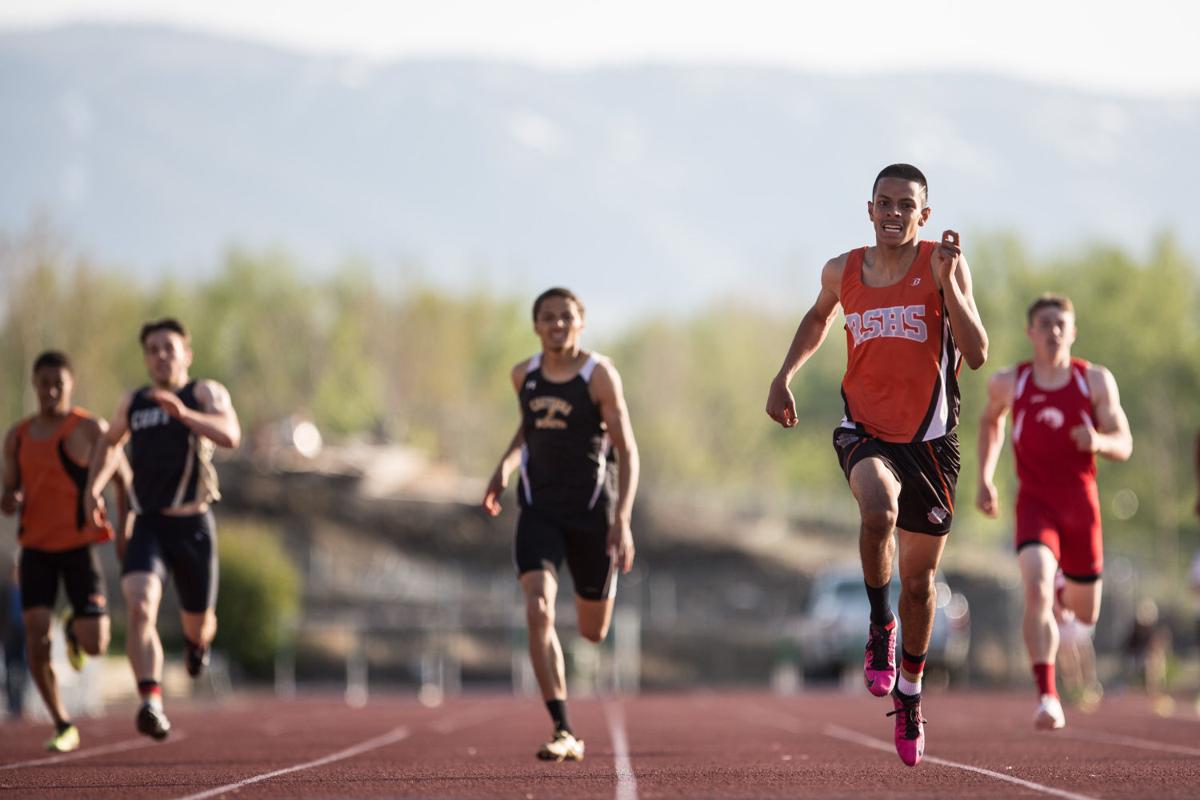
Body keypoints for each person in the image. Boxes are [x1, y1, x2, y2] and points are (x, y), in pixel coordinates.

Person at [766, 164, 988, 767]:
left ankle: (911, 697)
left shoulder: (942, 265)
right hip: (863, 430)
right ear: (869, 209)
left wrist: (953, 287)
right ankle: (878, 623)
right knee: (877, 509)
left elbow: (976, 352)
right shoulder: (843, 270)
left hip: (932, 444)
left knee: (921, 585)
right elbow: (818, 319)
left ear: (925, 214)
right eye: (883, 203)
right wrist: (784, 376)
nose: (893, 214)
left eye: (905, 205)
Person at [482, 288, 639, 762]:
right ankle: (563, 728)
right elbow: (527, 428)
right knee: (538, 608)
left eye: (565, 317)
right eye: (547, 318)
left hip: (592, 512)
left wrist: (623, 520)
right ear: (535, 326)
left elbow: (627, 450)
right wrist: (505, 466)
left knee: (593, 632)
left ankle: (590, 614)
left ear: (581, 323)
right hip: (539, 511)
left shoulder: (599, 377)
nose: (556, 325)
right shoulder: (523, 375)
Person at [977, 294, 1132, 730]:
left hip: (1081, 505)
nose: (1053, 332)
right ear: (1031, 332)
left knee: (1085, 614)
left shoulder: (1094, 381)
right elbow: (991, 421)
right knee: (1035, 590)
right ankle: (1047, 695)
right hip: (1036, 503)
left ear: (1073, 331)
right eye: (1044, 324)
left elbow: (1124, 440)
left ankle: (1066, 593)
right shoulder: (1010, 382)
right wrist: (985, 477)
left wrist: (1098, 441)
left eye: (1061, 324)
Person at [85, 319, 241, 741]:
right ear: (146, 358)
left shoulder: (204, 392)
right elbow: (109, 443)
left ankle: (197, 646)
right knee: (139, 604)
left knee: (198, 624)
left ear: (186, 354)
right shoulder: (134, 402)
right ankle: (150, 701)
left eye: (169, 348)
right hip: (149, 523)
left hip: (193, 525)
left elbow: (231, 434)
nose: (160, 355)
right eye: (152, 349)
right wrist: (94, 490)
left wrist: (186, 415)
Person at [1, 351, 129, 751]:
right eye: (43, 382)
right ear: (34, 385)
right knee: (35, 636)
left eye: (58, 382)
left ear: (70, 384)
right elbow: (10, 488)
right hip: (35, 549)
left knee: (96, 645)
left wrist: (121, 518)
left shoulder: (87, 428)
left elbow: (122, 472)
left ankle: (75, 628)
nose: (51, 390)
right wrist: (10, 497)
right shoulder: (17, 436)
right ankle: (61, 722)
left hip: (77, 548)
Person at [2, 558, 28, 721]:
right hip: (9, 636)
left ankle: (20, 704)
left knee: (24, 671)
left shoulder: (29, 591)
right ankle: (12, 705)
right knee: (10, 669)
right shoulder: (5, 591)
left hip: (25, 636)